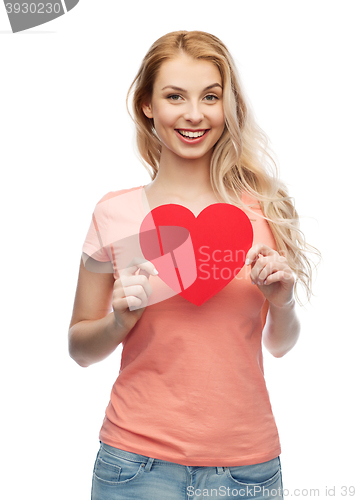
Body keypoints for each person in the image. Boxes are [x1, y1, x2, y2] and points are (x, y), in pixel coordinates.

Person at [68, 30, 320, 500]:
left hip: (248, 470)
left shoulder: (263, 209)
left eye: (210, 96)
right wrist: (120, 321)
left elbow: (280, 347)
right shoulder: (113, 213)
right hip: (134, 465)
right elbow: (80, 348)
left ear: (228, 106)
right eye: (174, 96)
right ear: (147, 105)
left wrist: (282, 304)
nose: (194, 114)